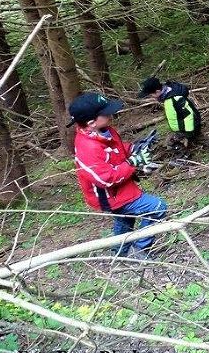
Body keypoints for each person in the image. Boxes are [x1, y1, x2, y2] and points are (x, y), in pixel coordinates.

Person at [69, 92, 167, 258]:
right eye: (106, 113)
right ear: (91, 122)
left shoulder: (105, 131)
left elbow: (117, 149)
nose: (111, 115)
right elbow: (104, 179)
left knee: (125, 219)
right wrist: (132, 163)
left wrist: (134, 148)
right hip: (110, 195)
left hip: (122, 188)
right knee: (157, 208)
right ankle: (141, 250)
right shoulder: (88, 147)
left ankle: (119, 253)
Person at [138, 77, 209, 161]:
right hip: (185, 126)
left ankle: (184, 159)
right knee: (200, 138)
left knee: (172, 142)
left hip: (189, 126)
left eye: (151, 95)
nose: (151, 97)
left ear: (157, 92)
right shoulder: (168, 97)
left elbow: (188, 115)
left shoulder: (174, 98)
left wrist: (188, 132)